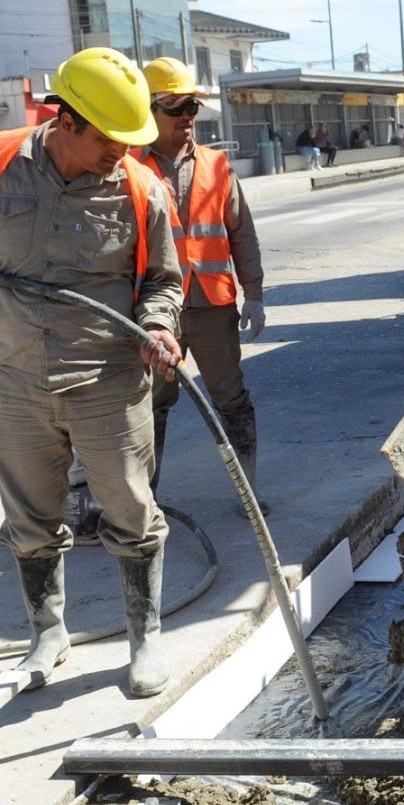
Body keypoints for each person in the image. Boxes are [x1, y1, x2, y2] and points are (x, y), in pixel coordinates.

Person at [0, 47, 183, 696]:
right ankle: (47, 635)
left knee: (132, 511)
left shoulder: (141, 189)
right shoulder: (2, 165)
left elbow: (164, 279)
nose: (123, 150)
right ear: (66, 121)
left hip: (108, 385)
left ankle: (145, 640)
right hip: (16, 384)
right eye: (111, 138)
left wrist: (159, 325)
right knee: (28, 517)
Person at [138, 56, 269, 516]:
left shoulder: (217, 166)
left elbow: (242, 233)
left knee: (231, 399)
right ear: (150, 110)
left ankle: (249, 494)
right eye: (177, 108)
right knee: (150, 404)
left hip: (213, 306)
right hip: (156, 311)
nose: (188, 117)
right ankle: (144, 503)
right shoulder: (131, 171)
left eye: (193, 107)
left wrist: (253, 294)